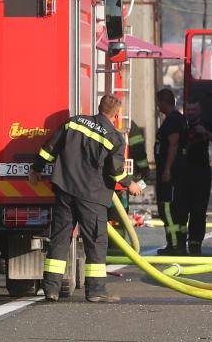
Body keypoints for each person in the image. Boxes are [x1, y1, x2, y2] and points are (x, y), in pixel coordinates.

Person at [38, 94, 146, 303]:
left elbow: (50, 148)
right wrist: (129, 184)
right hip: (92, 197)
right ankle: (96, 291)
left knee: (60, 238)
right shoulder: (114, 137)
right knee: (96, 243)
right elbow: (115, 172)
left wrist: (36, 169)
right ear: (116, 116)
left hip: (65, 190)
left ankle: (51, 290)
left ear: (99, 107)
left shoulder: (75, 122)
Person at [173, 100, 212, 255]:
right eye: (188, 109)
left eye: (193, 109)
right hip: (182, 172)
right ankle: (180, 244)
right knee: (180, 209)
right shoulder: (180, 124)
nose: (190, 113)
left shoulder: (206, 124)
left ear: (200, 109)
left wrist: (205, 132)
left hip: (200, 171)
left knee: (198, 209)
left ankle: (195, 243)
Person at [152, 87, 186, 253]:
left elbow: (173, 145)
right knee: (173, 209)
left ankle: (174, 245)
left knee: (167, 208)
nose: (158, 106)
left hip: (170, 174)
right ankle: (177, 244)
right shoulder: (175, 119)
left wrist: (167, 170)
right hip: (172, 172)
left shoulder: (173, 121)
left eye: (159, 102)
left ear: (165, 102)